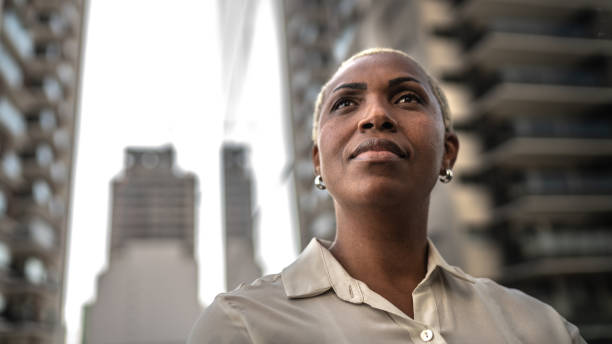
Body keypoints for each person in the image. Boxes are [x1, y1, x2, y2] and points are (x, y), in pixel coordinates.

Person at [188, 48, 586, 343]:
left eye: (407, 97)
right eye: (345, 103)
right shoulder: (239, 327)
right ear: (318, 163)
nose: (375, 115)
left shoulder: (542, 329)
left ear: (448, 151)